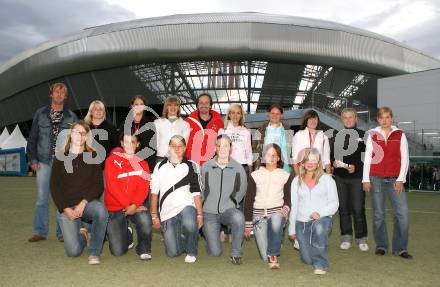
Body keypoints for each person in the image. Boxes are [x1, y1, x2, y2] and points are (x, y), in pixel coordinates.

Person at [50, 121, 108, 265]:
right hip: (66, 207)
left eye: (83, 133)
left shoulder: (93, 155)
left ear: (87, 136)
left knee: (101, 211)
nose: (80, 136)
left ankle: (94, 251)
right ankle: (83, 235)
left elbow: (98, 185)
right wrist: (65, 209)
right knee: (73, 252)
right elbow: (54, 187)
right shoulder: (60, 157)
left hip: (86, 204)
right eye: (76, 132)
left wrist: (84, 202)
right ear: (71, 134)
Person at [27, 82, 78, 242]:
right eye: (56, 92)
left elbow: (75, 141)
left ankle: (62, 232)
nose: (59, 95)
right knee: (42, 198)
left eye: (62, 93)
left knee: (61, 198)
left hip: (62, 162)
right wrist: (32, 159)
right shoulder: (40, 114)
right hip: (43, 161)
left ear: (65, 96)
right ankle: (40, 232)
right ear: (51, 94)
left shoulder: (71, 116)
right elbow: (33, 137)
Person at [362, 106, 412, 259]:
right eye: (381, 117)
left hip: (394, 180)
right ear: (378, 119)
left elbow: (405, 159)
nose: (384, 120)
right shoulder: (372, 135)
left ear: (391, 118)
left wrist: (400, 179)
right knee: (378, 214)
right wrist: (366, 179)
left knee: (402, 214)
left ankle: (400, 248)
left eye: (387, 117)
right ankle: (381, 246)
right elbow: (368, 158)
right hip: (375, 179)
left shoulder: (400, 135)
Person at [150, 135, 203, 263]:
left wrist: (200, 215)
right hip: (167, 212)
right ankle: (183, 234)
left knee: (190, 224)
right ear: (169, 147)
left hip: (186, 206)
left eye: (180, 146)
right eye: (173, 145)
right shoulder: (159, 166)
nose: (177, 148)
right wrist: (154, 215)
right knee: (172, 253)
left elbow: (196, 193)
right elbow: (154, 193)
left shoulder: (192, 165)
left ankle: (191, 250)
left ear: (184, 148)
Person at [288, 148, 339, 275]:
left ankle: (321, 265)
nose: (310, 163)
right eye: (307, 160)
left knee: (319, 227)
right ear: (303, 163)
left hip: (322, 219)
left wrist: (320, 213)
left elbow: (334, 203)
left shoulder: (327, 179)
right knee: (307, 259)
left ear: (318, 163)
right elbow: (294, 206)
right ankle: (309, 246)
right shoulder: (296, 181)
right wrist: (292, 229)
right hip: (302, 223)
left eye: (314, 160)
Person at [104, 132, 152, 260]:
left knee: (145, 219)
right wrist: (127, 206)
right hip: (116, 207)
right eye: (126, 142)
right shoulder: (111, 161)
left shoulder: (143, 164)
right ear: (121, 144)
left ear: (138, 144)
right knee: (118, 251)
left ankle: (144, 249)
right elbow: (112, 187)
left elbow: (144, 188)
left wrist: (134, 205)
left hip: (135, 205)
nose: (129, 145)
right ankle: (127, 232)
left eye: (132, 142)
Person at [244, 144, 293, 269]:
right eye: (268, 155)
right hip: (259, 217)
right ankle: (275, 241)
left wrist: (285, 209)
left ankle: (273, 254)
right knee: (263, 256)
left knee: (276, 221)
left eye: (274, 155)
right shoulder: (255, 175)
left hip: (277, 213)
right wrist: (248, 223)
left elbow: (288, 198)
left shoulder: (285, 175)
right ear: (263, 157)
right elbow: (249, 200)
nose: (271, 158)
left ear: (278, 158)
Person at [201, 135, 247, 265]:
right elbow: (201, 190)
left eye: (226, 146)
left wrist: (232, 202)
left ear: (231, 148)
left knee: (238, 217)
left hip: (228, 210)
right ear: (215, 148)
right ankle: (209, 236)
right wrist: (204, 206)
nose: (222, 149)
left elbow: (241, 190)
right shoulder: (206, 167)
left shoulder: (238, 168)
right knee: (215, 252)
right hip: (209, 212)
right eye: (219, 145)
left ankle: (236, 253)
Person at [330, 108, 368, 251]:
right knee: (343, 209)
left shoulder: (364, 135)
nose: (348, 120)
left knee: (358, 209)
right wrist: (333, 162)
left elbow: (367, 158)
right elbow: (333, 155)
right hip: (340, 178)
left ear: (356, 118)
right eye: (345, 117)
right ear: (342, 119)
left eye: (350, 117)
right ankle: (346, 236)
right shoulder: (337, 135)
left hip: (357, 178)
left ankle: (361, 238)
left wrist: (356, 168)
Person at [185, 93, 224, 165]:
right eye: (201, 103)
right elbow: (183, 142)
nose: (203, 105)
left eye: (206, 103)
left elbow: (221, 144)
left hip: (211, 164)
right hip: (191, 163)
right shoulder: (188, 122)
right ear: (197, 105)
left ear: (210, 106)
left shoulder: (219, 123)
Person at [252, 104, 291, 172]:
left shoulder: (287, 130)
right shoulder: (260, 129)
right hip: (264, 167)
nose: (274, 116)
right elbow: (254, 149)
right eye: (272, 113)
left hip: (284, 168)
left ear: (281, 115)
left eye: (277, 114)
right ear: (268, 114)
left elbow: (291, 150)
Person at [122, 95, 157, 170]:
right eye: (136, 104)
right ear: (131, 106)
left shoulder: (150, 125)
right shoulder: (125, 124)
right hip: (127, 164)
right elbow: (121, 145)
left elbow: (152, 148)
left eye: (141, 104)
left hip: (145, 164)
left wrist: (149, 168)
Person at [292, 110, 331, 175]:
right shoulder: (298, 135)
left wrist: (329, 177)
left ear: (318, 120)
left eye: (315, 119)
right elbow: (295, 158)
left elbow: (327, 159)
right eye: (310, 119)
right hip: (303, 172)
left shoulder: (324, 137)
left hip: (319, 173)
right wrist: (297, 176)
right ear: (306, 121)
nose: (313, 121)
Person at [154, 96, 190, 165]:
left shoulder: (185, 124)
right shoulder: (157, 123)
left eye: (176, 105)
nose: (173, 107)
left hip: (177, 159)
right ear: (166, 107)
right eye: (170, 105)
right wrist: (163, 153)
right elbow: (156, 142)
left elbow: (184, 144)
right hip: (161, 158)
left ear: (179, 107)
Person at [218, 103, 253, 174]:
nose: (235, 115)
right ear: (229, 115)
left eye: (238, 113)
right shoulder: (222, 131)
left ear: (241, 116)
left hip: (242, 166)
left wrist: (251, 171)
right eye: (233, 113)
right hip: (225, 165)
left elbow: (249, 152)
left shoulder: (246, 132)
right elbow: (218, 150)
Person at [84, 100, 118, 166]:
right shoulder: (84, 128)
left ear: (104, 112)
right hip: (87, 166)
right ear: (91, 112)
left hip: (106, 167)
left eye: (101, 109)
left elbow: (116, 149)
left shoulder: (111, 128)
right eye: (95, 109)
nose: (98, 111)